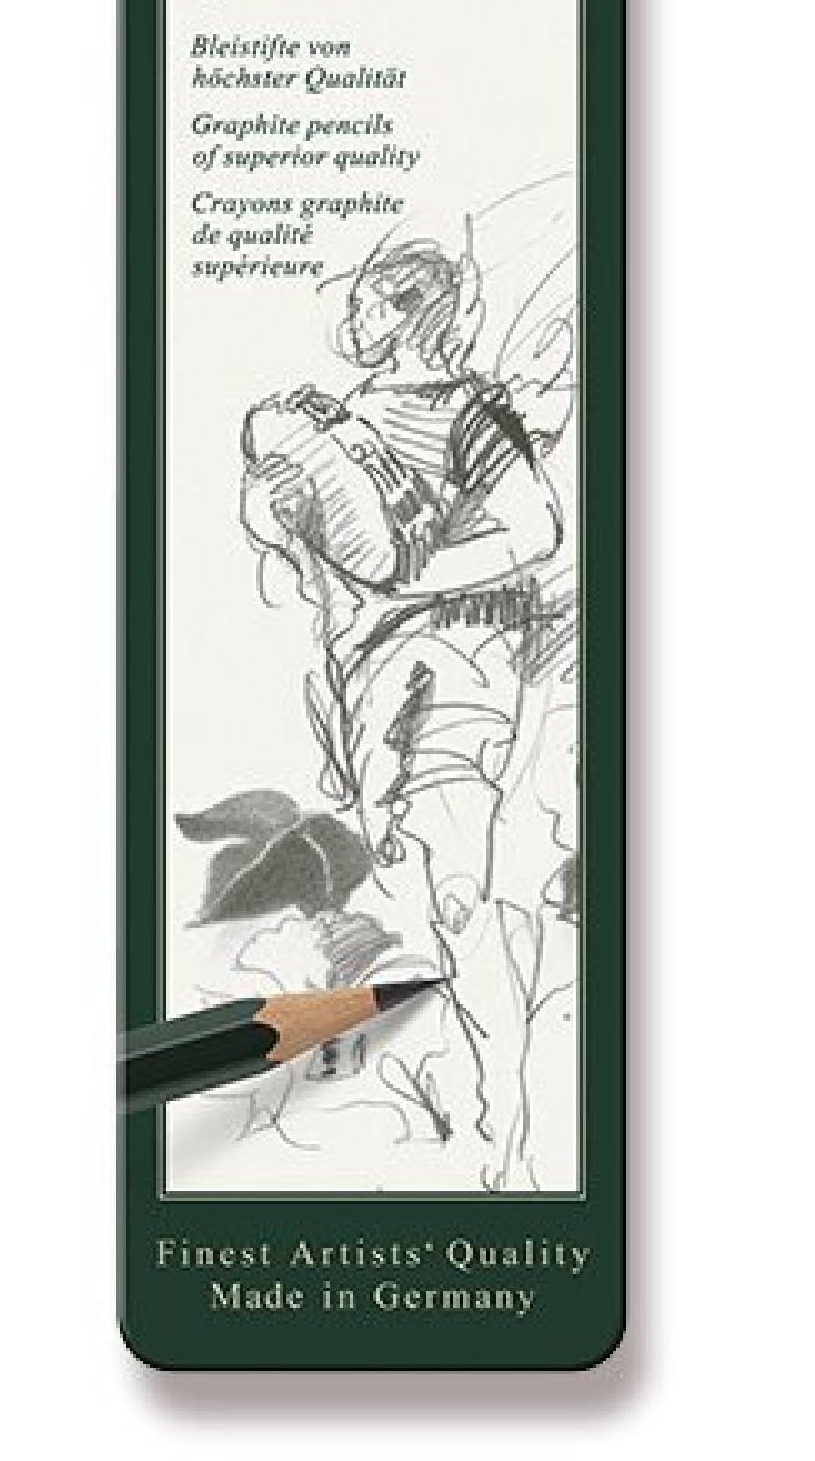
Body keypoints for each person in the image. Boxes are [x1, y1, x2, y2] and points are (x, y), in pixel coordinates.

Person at [241, 235, 571, 1186]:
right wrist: (279, 512)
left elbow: (536, 531)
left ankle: (510, 1117)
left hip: (456, 661)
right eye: (361, 305)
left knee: (458, 887)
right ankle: (479, 1089)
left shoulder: (472, 412)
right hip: (366, 670)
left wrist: (407, 586)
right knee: (423, 887)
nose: (358, 319)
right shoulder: (336, 419)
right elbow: (301, 539)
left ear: (418, 311)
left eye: (377, 304)